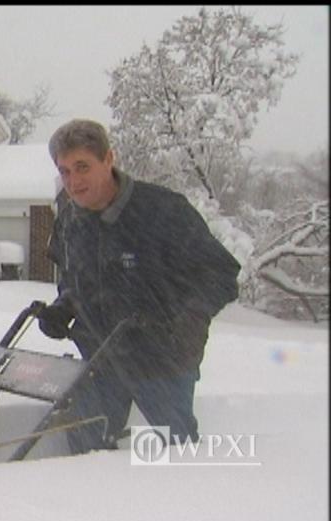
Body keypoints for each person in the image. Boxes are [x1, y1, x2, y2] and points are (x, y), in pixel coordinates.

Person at [37, 119, 241, 453]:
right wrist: (63, 309)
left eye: (83, 167)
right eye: (66, 170)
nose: (73, 181)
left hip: (162, 357)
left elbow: (221, 273)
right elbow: (74, 281)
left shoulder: (163, 211)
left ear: (108, 159)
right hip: (100, 357)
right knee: (85, 450)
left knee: (174, 450)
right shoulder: (70, 221)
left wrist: (185, 321)